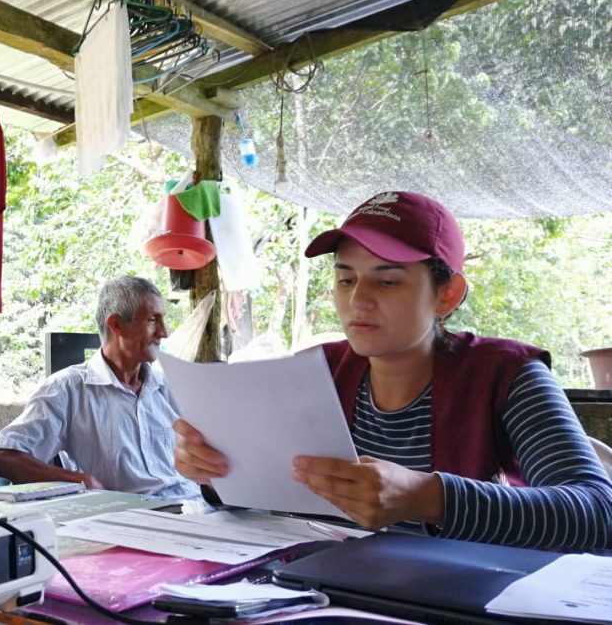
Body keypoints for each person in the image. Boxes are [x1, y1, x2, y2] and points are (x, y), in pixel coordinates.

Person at [175, 191, 612, 551]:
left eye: (387, 281)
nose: (358, 300)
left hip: (454, 597)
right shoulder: (318, 371)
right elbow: (271, 492)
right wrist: (215, 473)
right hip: (327, 591)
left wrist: (427, 497)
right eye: (346, 279)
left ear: (446, 294)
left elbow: (597, 514)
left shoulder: (505, 375)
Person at [0, 276, 201, 500]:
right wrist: (79, 480)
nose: (164, 332)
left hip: (197, 508)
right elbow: (3, 456)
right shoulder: (68, 389)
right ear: (116, 324)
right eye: (152, 320)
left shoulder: (170, 388)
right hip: (131, 519)